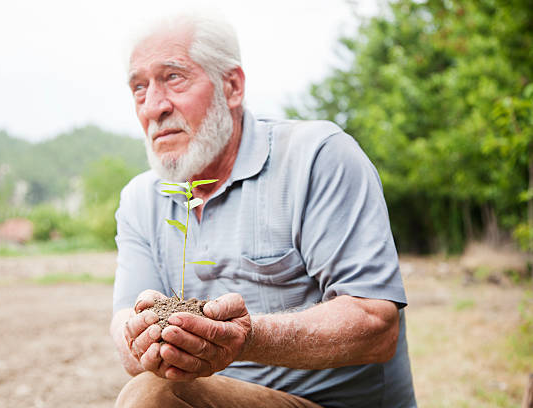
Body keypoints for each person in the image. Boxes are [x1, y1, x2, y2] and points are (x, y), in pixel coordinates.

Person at [110, 14, 417, 408]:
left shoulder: (316, 157)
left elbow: (376, 325)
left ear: (232, 86)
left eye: (173, 77)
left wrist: (247, 337)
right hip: (226, 397)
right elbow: (124, 323)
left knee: (156, 395)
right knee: (151, 385)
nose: (153, 106)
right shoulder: (140, 199)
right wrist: (140, 338)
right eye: (139, 87)